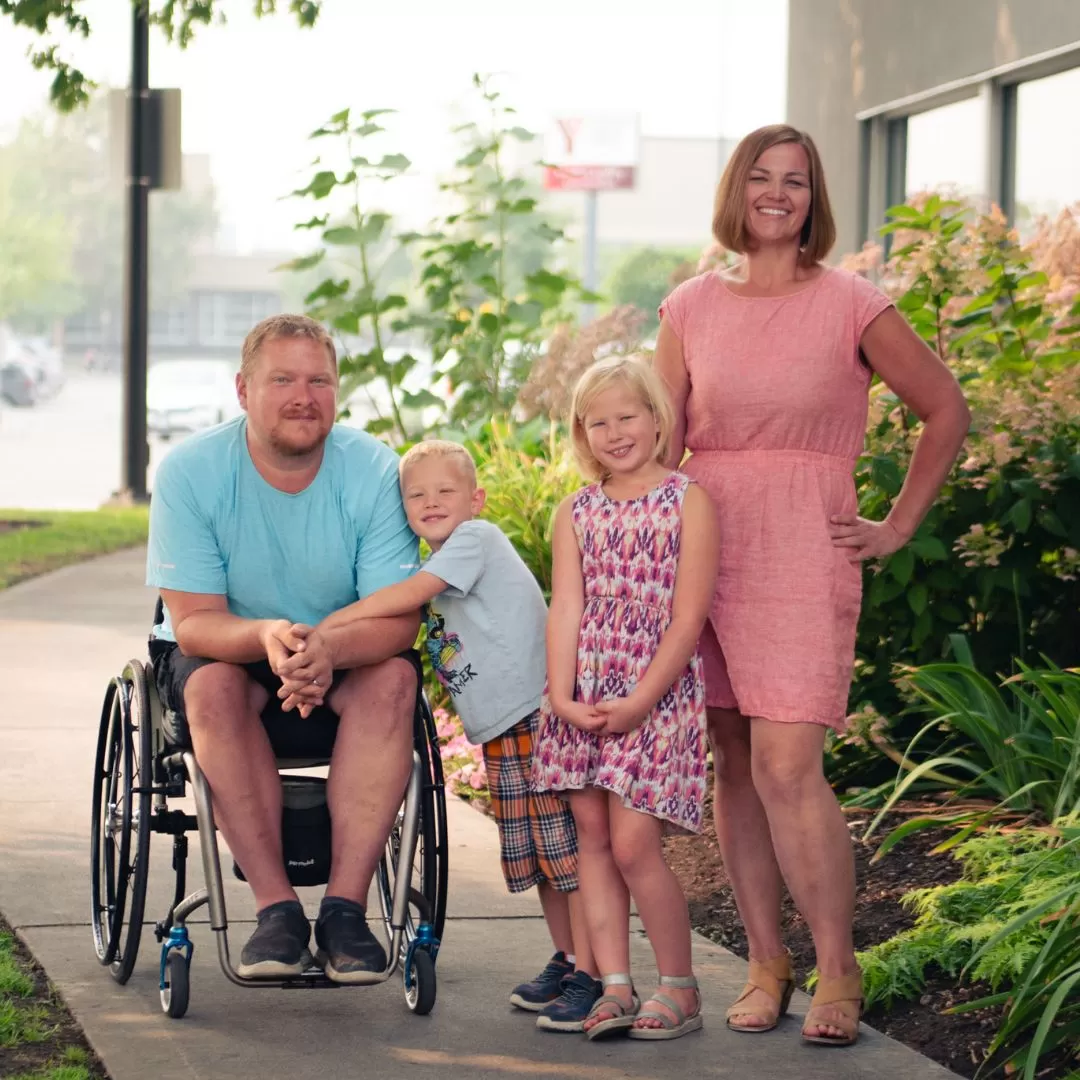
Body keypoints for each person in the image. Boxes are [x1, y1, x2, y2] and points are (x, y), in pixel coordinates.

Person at [654, 124, 970, 1046]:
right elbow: (662, 442)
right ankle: (766, 959)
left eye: (796, 181)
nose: (778, 194)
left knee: (789, 763)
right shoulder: (688, 307)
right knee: (733, 761)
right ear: (737, 190)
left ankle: (839, 965)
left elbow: (944, 407)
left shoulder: (851, 303)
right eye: (762, 177)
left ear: (812, 198)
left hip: (801, 544)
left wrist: (899, 523)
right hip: (704, 542)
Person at [146, 313, 422, 984]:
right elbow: (195, 624)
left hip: (345, 654)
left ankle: (345, 913)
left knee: (392, 681)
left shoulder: (376, 471)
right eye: (283, 380)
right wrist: (270, 635)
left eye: (319, 380)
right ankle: (277, 913)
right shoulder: (191, 472)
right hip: (228, 655)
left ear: (337, 391)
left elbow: (397, 621)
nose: (304, 396)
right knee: (209, 687)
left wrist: (324, 646)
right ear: (244, 390)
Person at [320, 440, 602, 1032]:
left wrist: (332, 624)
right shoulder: (442, 559)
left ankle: (594, 974)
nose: (429, 502)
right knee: (540, 857)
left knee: (566, 855)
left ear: (475, 499)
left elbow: (406, 598)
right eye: (415, 494)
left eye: (445, 491)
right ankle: (570, 957)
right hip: (503, 729)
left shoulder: (475, 541)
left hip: (534, 716)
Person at [532, 355, 720, 1043]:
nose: (615, 432)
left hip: (654, 692)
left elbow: (688, 618)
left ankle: (680, 985)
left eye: (627, 416)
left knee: (636, 842)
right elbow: (566, 608)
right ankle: (613, 982)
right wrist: (559, 693)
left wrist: (641, 700)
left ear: (656, 418)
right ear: (582, 434)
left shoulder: (687, 500)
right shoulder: (575, 511)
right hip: (584, 693)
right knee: (593, 840)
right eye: (598, 422)